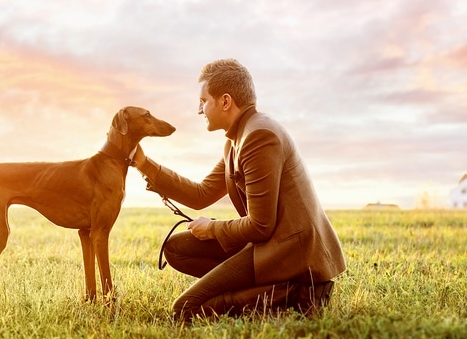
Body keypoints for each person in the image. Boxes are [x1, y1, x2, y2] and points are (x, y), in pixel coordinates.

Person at [132, 59, 346, 321]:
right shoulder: (237, 139)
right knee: (176, 248)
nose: (199, 110)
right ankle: (262, 290)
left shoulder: (259, 137)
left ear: (225, 101)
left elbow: (261, 226)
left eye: (203, 101)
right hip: (266, 243)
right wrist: (144, 164)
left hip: (290, 253)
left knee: (187, 309)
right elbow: (201, 194)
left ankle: (295, 292)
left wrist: (211, 227)